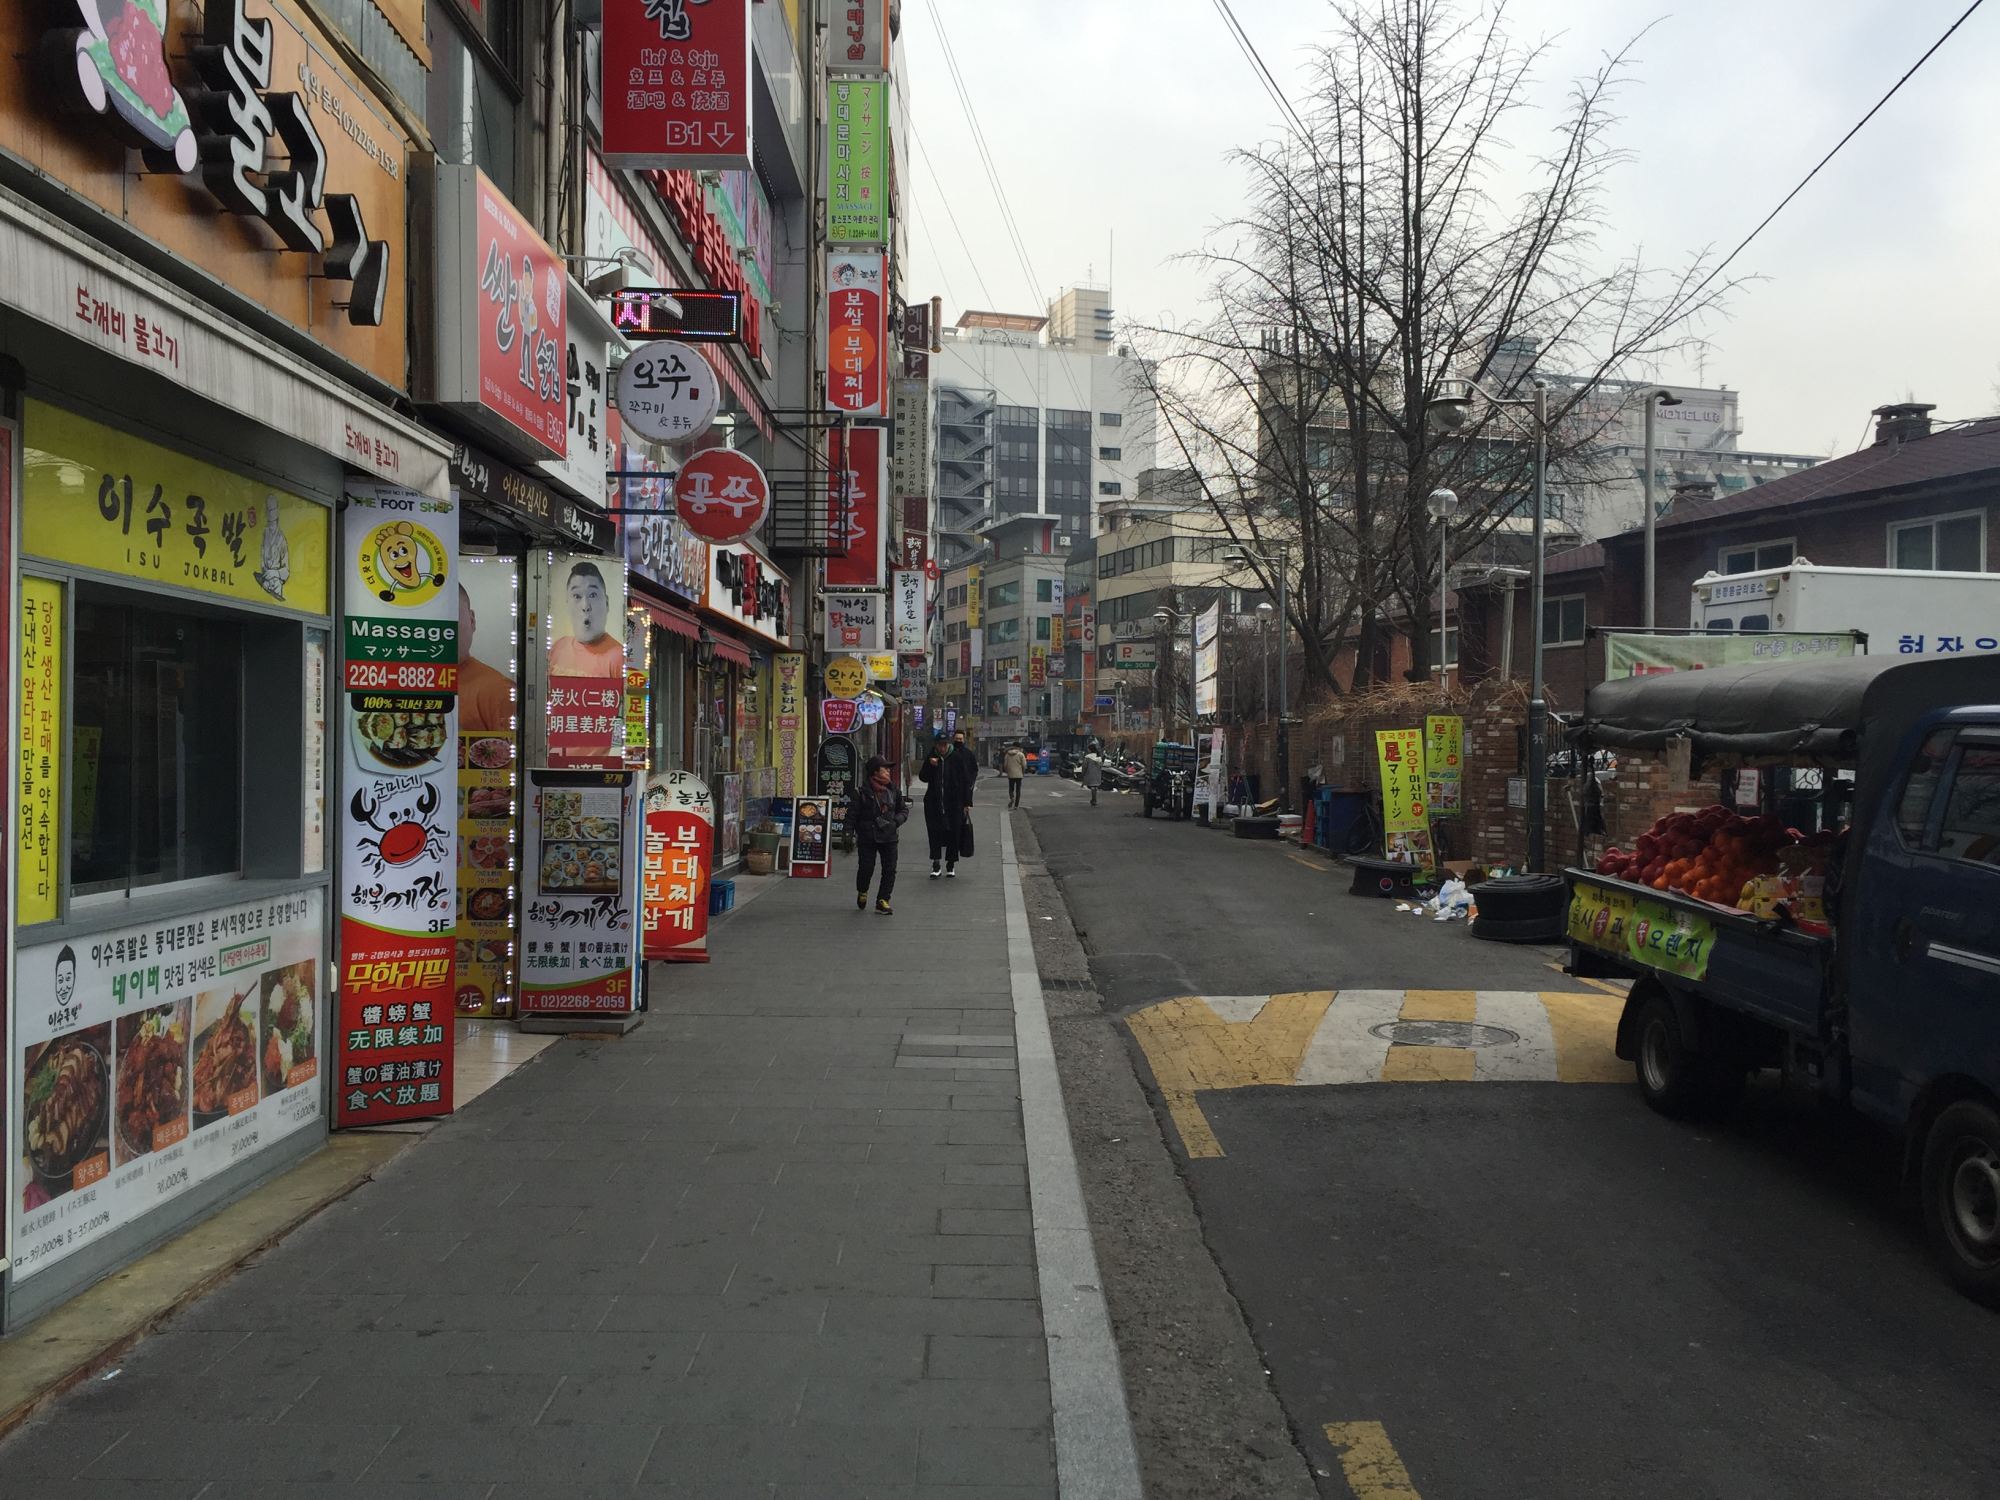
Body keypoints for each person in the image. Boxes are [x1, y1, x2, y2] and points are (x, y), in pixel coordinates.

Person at [845, 757, 907, 914]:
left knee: (890, 869)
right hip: (868, 836)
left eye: (888, 769)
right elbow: (851, 815)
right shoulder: (861, 792)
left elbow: (903, 810)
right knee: (866, 868)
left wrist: (896, 822)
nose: (888, 771)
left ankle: (883, 900)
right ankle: (862, 890)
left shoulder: (893, 790)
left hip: (889, 835)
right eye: (884, 769)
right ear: (875, 772)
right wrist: (847, 833)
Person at [456, 585, 516, 735]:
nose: (440, 630)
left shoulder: (499, 691)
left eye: (450, 617)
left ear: (472, 620)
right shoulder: (401, 683)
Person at [548, 561, 623, 678]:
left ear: (607, 603)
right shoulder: (558, 647)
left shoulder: (618, 657)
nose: (585, 606)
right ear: (567, 604)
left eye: (593, 595)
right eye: (577, 596)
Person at [919, 728, 978, 878]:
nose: (942, 748)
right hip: (934, 804)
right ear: (936, 745)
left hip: (954, 804)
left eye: (944, 744)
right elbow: (923, 777)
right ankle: (936, 864)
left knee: (953, 834)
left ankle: (950, 864)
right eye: (940, 745)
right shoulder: (932, 757)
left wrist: (966, 803)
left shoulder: (956, 757)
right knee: (934, 833)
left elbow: (965, 781)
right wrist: (930, 765)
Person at [1002, 742, 1027, 808]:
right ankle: (1016, 805)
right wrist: (1023, 772)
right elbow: (1024, 765)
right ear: (1019, 747)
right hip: (1019, 774)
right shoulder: (1021, 754)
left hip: (1010, 774)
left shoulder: (1007, 754)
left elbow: (1005, 765)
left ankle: (1012, 798)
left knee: (1011, 788)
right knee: (1018, 790)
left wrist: (1007, 772)